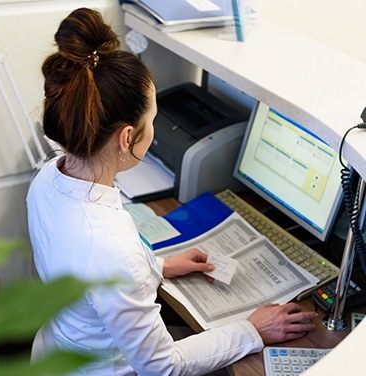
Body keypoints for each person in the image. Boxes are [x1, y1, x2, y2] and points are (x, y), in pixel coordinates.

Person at [27, 7, 318, 376]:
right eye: (152, 120)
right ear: (127, 138)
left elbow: (86, 273)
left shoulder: (49, 178)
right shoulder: (111, 248)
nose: (155, 129)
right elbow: (163, 366)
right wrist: (252, 330)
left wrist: (160, 266)